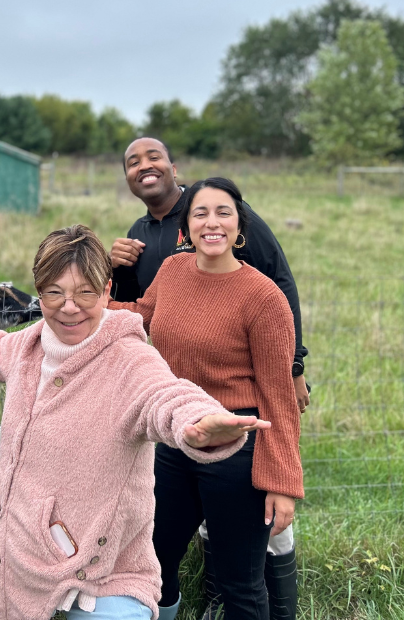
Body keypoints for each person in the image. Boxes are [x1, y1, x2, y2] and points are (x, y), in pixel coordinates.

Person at [0, 224, 270, 620]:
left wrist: (199, 422)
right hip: (22, 559)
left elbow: (166, 395)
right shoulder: (26, 347)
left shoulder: (129, 359)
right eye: (55, 292)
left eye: (85, 292)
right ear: (39, 292)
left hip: (103, 571)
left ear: (106, 291)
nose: (70, 307)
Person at [110, 137, 306, 619]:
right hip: (175, 443)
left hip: (237, 451)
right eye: (201, 214)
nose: (211, 222)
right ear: (187, 225)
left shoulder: (262, 297)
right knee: (152, 559)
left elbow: (278, 397)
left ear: (240, 226)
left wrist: (282, 480)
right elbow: (134, 317)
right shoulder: (174, 272)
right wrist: (81, 301)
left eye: (223, 213)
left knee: (241, 583)